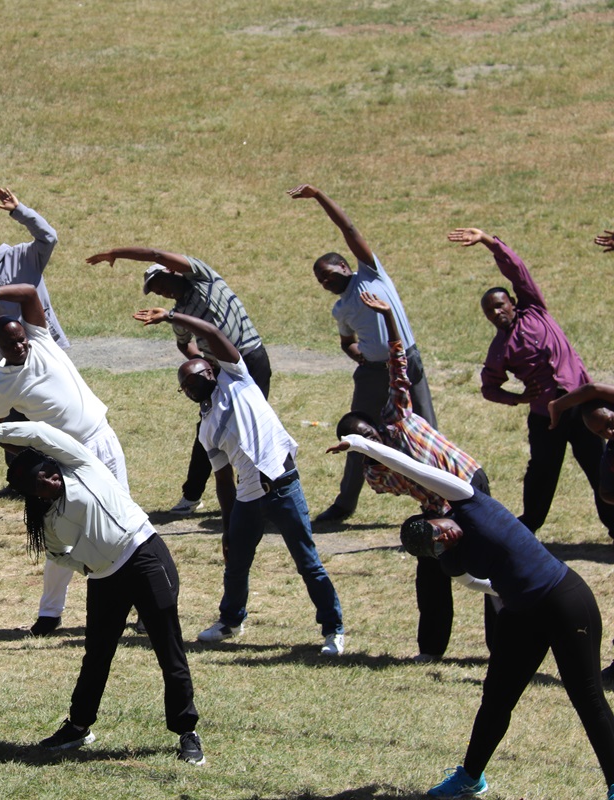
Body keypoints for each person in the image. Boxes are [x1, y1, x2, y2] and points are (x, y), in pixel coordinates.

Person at [334, 434, 614, 800]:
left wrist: (361, 445)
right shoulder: (451, 559)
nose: (446, 539)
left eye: (441, 532)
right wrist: (508, 588)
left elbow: (414, 469)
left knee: (587, 696)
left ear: (435, 517)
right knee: (496, 698)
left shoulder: (466, 500)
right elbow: (475, 583)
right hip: (521, 611)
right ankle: (470, 777)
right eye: (438, 546)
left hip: (564, 599)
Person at [0, 419, 204, 765]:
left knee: (168, 648)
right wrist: (89, 566)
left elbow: (40, 433)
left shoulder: (80, 465)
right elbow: (57, 554)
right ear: (33, 495)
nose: (50, 481)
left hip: (145, 555)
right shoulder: (46, 521)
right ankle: (78, 727)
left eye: (49, 472)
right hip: (105, 579)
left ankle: (186, 731)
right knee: (96, 655)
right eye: (40, 484)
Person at [135, 305, 345, 654]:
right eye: (184, 386)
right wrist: (228, 527)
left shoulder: (238, 378)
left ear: (211, 370)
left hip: (283, 485)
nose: (190, 387)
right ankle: (230, 621)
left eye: (195, 378)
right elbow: (223, 481)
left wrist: (171, 317)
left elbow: (214, 335)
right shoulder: (207, 429)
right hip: (249, 497)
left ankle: (333, 629)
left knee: (308, 563)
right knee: (235, 565)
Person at [0, 283, 128, 636]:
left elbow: (30, 292)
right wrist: (35, 460)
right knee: (63, 535)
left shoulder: (41, 339)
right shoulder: (3, 384)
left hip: (105, 440)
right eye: (11, 343)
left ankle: (135, 604)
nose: (19, 345)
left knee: (124, 527)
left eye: (20, 338)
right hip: (73, 461)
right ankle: (50, 614)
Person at [328, 291, 492, 662]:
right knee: (430, 571)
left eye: (367, 436)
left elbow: (397, 364)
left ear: (374, 426)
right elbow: (403, 483)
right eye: (359, 444)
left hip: (469, 481)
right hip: (441, 505)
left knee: (488, 563)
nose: (368, 444)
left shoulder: (397, 417)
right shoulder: (377, 477)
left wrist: (387, 316)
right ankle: (431, 650)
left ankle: (500, 649)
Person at [449, 227, 614, 537]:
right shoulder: (500, 350)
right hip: (546, 418)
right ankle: (528, 528)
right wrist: (520, 398)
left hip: (584, 409)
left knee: (599, 467)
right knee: (542, 472)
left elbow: (518, 270)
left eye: (499, 305)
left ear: (512, 302)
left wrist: (487, 240)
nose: (496, 312)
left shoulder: (534, 310)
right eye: (489, 312)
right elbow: (489, 388)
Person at [288, 184, 437, 525]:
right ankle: (345, 504)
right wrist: (365, 358)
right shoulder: (341, 309)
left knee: (427, 430)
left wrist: (319, 196)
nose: (325, 281)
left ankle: (439, 500)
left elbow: (349, 229)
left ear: (344, 265)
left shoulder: (371, 274)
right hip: (373, 373)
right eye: (320, 280)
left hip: (407, 361)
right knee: (357, 435)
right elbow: (346, 343)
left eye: (328, 274)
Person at [86, 244, 270, 517]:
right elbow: (185, 346)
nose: (164, 292)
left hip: (251, 358)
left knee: (255, 427)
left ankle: (257, 495)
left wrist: (115, 253)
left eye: (162, 283)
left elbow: (155, 255)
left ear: (173, 271)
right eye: (158, 291)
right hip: (221, 373)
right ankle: (192, 496)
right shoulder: (178, 315)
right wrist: (202, 367)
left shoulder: (204, 278)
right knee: (208, 431)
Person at [0, 188, 69, 371]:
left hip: (46, 346)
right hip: (16, 361)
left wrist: (20, 211)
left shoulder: (22, 256)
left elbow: (49, 238)